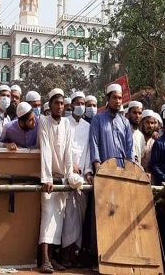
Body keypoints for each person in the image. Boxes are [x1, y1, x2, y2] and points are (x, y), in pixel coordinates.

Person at [38, 88, 75, 273]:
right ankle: (44, 259)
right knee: (47, 217)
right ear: (50, 104)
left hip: (62, 179)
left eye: (62, 104)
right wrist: (46, 178)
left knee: (57, 219)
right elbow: (45, 149)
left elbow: (69, 152)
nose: (59, 107)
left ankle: (52, 259)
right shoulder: (43, 122)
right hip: (49, 179)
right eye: (56, 103)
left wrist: (69, 176)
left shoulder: (67, 124)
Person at [62, 91, 92, 267]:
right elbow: (64, 148)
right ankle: (64, 255)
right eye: (78, 103)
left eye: (84, 103)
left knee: (79, 217)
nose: (81, 106)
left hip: (83, 177)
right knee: (68, 218)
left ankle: (74, 255)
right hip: (68, 175)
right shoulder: (65, 123)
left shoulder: (88, 127)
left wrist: (87, 171)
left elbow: (88, 151)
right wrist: (70, 166)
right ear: (71, 105)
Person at [89, 84, 134, 172]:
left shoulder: (125, 122)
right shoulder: (98, 119)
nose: (117, 101)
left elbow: (129, 147)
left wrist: (130, 168)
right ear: (108, 99)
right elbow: (94, 143)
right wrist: (97, 165)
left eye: (120, 98)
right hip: (104, 170)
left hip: (122, 171)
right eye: (114, 97)